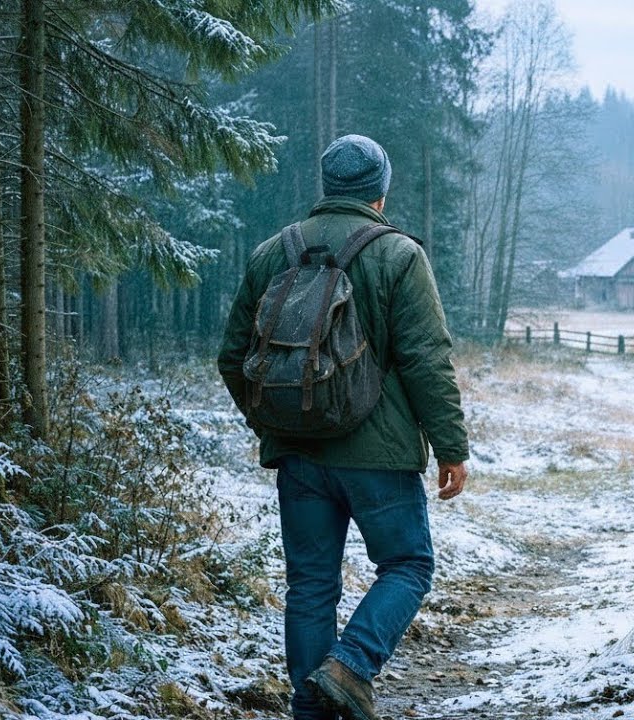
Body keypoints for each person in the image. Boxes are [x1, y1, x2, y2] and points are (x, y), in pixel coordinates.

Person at [217, 134, 470, 720]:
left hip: (299, 459)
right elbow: (426, 359)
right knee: (408, 565)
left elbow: (234, 358)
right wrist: (451, 448)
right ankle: (351, 665)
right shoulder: (400, 255)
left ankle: (310, 711)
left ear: (328, 187)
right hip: (378, 461)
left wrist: (275, 421)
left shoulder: (270, 253)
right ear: (380, 194)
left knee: (309, 587)